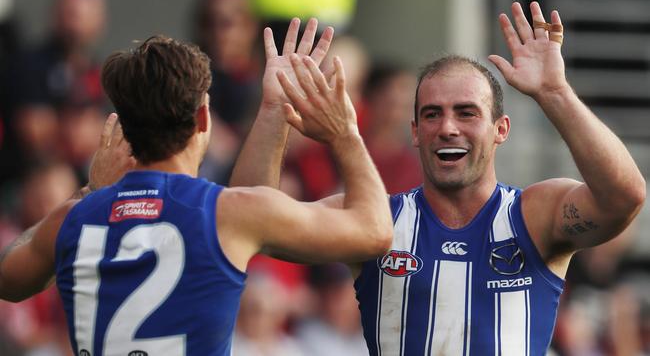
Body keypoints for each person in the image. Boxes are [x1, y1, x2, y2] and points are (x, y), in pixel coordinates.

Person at [230, 2, 646, 355]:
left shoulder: (534, 215)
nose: (448, 127)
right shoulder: (376, 224)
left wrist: (555, 91)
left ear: (501, 129)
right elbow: (251, 221)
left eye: (466, 112)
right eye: (432, 114)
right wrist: (273, 110)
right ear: (414, 132)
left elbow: (623, 196)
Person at [0, 18, 393, 356]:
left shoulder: (74, 218)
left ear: (125, 126)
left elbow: (7, 280)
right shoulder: (228, 214)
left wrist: (88, 190)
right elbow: (374, 232)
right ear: (204, 118)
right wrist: (344, 133)